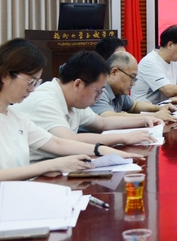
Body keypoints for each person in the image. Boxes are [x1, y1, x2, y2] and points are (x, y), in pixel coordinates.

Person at [0, 39, 140, 184]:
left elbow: (56, 143)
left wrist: (105, 151)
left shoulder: (13, 114)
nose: (32, 89)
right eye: (30, 81)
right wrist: (53, 165)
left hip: (14, 198)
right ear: (5, 75)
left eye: (36, 82)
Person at [15, 50, 159, 161]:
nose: (100, 96)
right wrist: (122, 137)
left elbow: (102, 123)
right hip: (33, 176)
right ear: (78, 84)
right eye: (98, 91)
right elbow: (68, 140)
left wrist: (144, 120)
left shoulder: (73, 99)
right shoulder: (45, 101)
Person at [91, 51, 177, 122]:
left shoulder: (118, 91)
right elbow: (108, 117)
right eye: (132, 77)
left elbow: (134, 105)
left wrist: (159, 108)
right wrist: (153, 116)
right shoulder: (100, 90)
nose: (133, 84)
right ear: (114, 72)